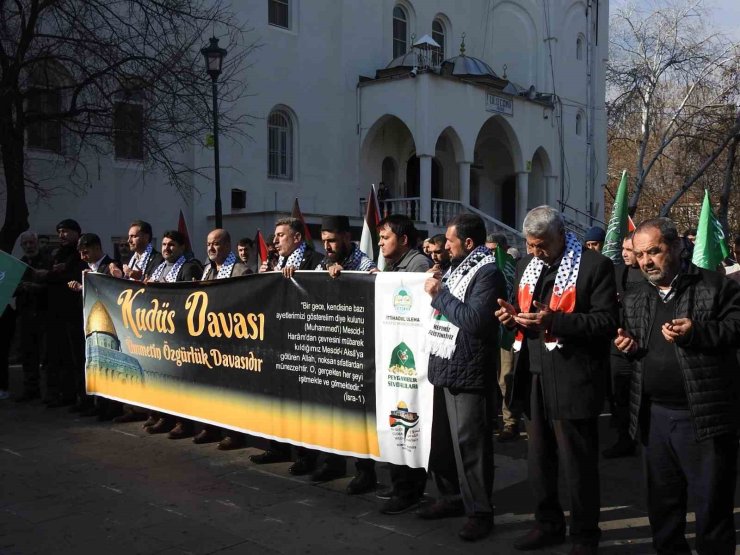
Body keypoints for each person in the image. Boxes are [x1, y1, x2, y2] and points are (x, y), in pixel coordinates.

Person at [495, 206, 617, 554]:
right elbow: (524, 320)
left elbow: (605, 323)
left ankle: (584, 534)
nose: (535, 252)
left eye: (542, 245)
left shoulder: (595, 267)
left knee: (577, 463)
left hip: (573, 377)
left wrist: (555, 322)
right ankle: (547, 524)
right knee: (538, 459)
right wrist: (510, 318)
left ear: (562, 234)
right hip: (533, 375)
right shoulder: (525, 267)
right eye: (531, 245)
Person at [615, 217, 740, 555]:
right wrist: (628, 348)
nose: (645, 262)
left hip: (704, 419)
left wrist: (697, 332)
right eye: (640, 255)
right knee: (663, 509)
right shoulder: (636, 295)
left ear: (678, 247)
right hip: (654, 418)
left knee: (712, 509)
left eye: (653, 252)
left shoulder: (716, 286)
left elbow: (735, 329)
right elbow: (640, 348)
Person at [420, 213, 505, 541]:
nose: (445, 248)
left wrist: (439, 294)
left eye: (451, 242)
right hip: (444, 366)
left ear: (468, 243)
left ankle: (480, 512)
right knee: (442, 443)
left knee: (471, 445)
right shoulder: (455, 269)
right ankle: (450, 497)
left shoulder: (488, 273)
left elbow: (476, 321)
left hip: (469, 371)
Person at [302, 215, 378, 483]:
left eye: (332, 240)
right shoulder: (324, 262)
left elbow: (371, 295)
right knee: (330, 410)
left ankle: (364, 471)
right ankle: (332, 462)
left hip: (356, 350)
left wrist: (346, 280)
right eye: (324, 241)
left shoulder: (365, 264)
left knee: (357, 414)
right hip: (329, 347)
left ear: (347, 237)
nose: (328, 247)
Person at [250, 218, 324, 472]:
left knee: (301, 402)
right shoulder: (273, 261)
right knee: (277, 397)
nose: (275, 240)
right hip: (277, 338)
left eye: (281, 235)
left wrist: (301, 278)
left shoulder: (314, 261)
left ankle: (306, 455)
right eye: (275, 235)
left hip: (302, 340)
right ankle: (278, 446)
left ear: (297, 239)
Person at [368, 214, 431, 513]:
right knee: (395, 424)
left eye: (385, 238)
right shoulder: (391, 266)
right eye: (379, 238)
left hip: (409, 364)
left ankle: (409, 490)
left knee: (408, 425)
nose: (380, 243)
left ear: (403, 240)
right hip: (393, 361)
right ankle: (399, 485)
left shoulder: (417, 266)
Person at [193, 229, 250, 450]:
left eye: (215, 244)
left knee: (230, 390)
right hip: (208, 339)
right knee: (210, 387)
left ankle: (234, 433)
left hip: (231, 341)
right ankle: (211, 427)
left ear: (227, 245)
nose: (210, 248)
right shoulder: (207, 270)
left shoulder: (241, 271)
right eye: (208, 244)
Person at [144, 230, 202, 438]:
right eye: (164, 244)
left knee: (179, 380)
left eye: (172, 245)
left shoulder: (189, 267)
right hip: (158, 331)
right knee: (162, 378)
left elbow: (189, 297)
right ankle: (164, 417)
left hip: (180, 333)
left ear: (182, 247)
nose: (167, 248)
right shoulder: (158, 267)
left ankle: (183, 423)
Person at [67, 233, 123, 419]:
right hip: (91, 326)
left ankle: (112, 407)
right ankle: (97, 403)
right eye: (81, 253)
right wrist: (80, 287)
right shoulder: (85, 269)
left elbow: (113, 289)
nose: (83, 257)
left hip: (110, 326)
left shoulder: (111, 265)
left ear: (97, 248)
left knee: (109, 365)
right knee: (95, 365)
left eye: (86, 252)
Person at [36, 219, 88, 408]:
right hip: (54, 312)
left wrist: (53, 275)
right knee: (56, 355)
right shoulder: (56, 253)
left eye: (65, 231)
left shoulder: (81, 253)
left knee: (75, 356)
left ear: (76, 232)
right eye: (59, 232)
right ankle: (61, 394)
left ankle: (81, 397)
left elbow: (77, 278)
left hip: (74, 313)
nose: (61, 236)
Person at [602, 233, 642, 459]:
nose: (625, 254)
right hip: (618, 347)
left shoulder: (651, 276)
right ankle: (624, 439)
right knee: (620, 396)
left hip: (644, 347)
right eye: (623, 249)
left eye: (630, 249)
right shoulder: (617, 273)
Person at [13, 232, 51, 402]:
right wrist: (22, 287)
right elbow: (11, 289)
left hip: (44, 314)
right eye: (25, 243)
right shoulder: (18, 264)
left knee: (47, 355)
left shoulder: (48, 261)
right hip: (25, 314)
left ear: (36, 243)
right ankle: (31, 389)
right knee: (28, 355)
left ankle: (50, 392)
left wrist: (37, 287)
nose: (29, 246)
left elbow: (53, 286)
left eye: (31, 242)